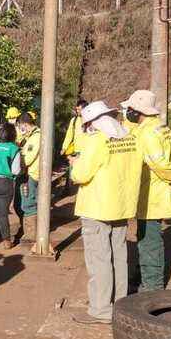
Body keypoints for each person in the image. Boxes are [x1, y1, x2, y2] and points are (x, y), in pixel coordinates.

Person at [69, 101, 142, 325]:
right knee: (119, 257)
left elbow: (80, 175)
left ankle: (101, 309)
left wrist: (75, 163)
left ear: (92, 122)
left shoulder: (98, 140)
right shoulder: (130, 137)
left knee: (99, 259)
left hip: (97, 207)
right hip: (121, 206)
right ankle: (120, 304)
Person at [122, 90, 171, 292]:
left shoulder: (147, 133)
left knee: (150, 240)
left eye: (130, 109)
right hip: (155, 191)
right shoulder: (160, 127)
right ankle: (141, 275)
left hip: (152, 194)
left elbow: (158, 162)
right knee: (144, 235)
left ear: (138, 110)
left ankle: (152, 287)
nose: (128, 112)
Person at [15, 113, 41, 242]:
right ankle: (27, 230)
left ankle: (31, 235)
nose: (20, 130)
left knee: (28, 203)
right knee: (21, 203)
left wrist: (17, 161)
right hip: (27, 174)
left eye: (20, 126)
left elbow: (28, 159)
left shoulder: (36, 137)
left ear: (25, 124)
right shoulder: (30, 136)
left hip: (30, 175)